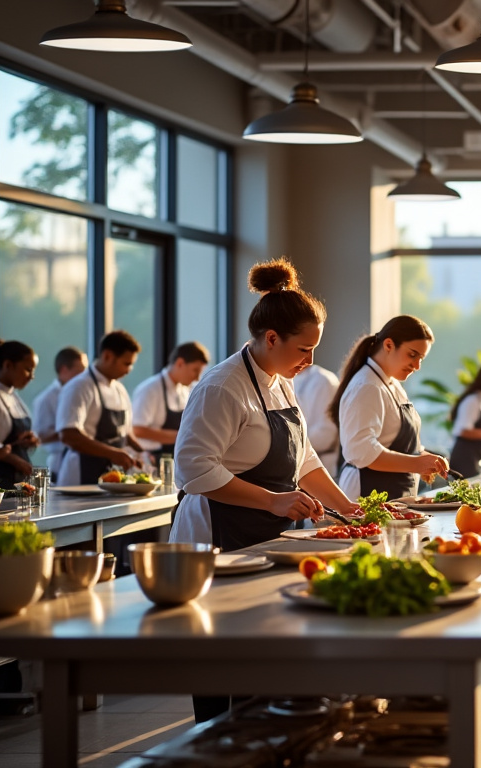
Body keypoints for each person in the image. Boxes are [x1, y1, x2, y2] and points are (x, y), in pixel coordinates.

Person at [170, 258, 358, 724]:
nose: (309, 361)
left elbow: (304, 459)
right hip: (218, 532)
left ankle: (258, 737)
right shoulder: (222, 386)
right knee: (220, 654)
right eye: (304, 349)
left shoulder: (280, 381)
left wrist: (349, 509)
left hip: (263, 534)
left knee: (262, 648)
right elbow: (193, 469)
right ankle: (215, 743)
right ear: (271, 338)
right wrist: (274, 500)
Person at [332, 315, 448, 500]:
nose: (417, 366)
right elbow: (362, 452)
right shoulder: (367, 386)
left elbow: (395, 441)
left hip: (393, 494)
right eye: (412, 355)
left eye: (421, 358)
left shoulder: (390, 383)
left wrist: (424, 458)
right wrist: (416, 463)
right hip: (367, 494)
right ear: (388, 345)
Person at [57, 330, 145, 484]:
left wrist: (142, 454)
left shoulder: (120, 389)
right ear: (107, 356)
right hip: (81, 475)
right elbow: (68, 435)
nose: (129, 370)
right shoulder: (79, 386)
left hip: (113, 475)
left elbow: (125, 433)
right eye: (127, 364)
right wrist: (113, 453)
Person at [132, 342, 210, 466]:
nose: (197, 378)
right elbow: (137, 430)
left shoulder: (185, 390)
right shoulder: (150, 389)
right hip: (152, 460)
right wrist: (183, 436)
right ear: (180, 363)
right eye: (195, 371)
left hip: (177, 459)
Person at [0, 341, 39, 488]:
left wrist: (25, 441)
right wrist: (16, 460)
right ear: (8, 365)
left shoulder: (12, 394)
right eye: (28, 369)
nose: (31, 376)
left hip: (17, 479)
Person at [32, 347, 87, 483]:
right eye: (79, 372)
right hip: (59, 461)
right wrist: (69, 430)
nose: (83, 377)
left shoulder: (83, 393)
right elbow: (39, 437)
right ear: (63, 370)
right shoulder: (46, 399)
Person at [294, 362, 340, 476]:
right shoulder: (283, 380)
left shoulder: (323, 381)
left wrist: (288, 446)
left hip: (319, 466)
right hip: (296, 464)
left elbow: (326, 435)